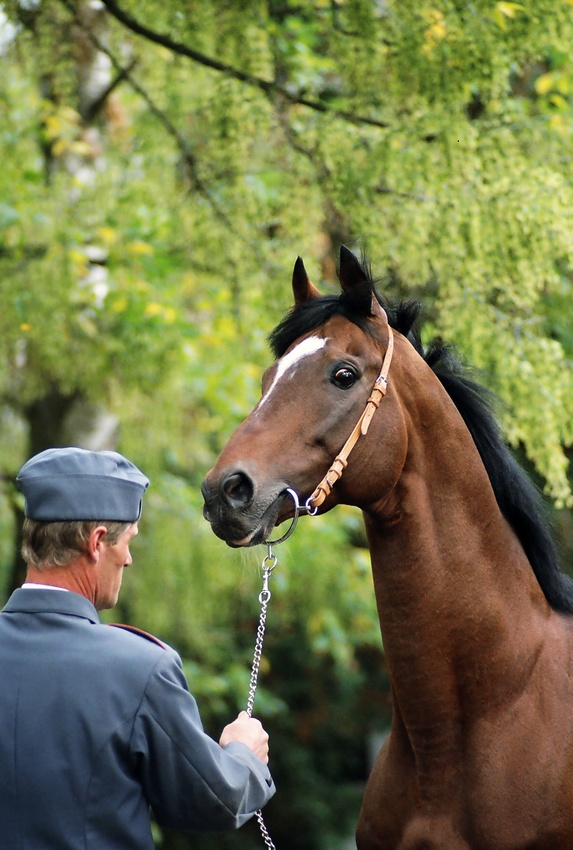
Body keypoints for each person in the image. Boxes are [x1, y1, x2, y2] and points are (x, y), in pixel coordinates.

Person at [0, 447, 275, 849]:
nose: (128, 559)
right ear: (96, 542)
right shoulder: (138, 668)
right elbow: (213, 801)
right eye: (127, 540)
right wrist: (244, 753)